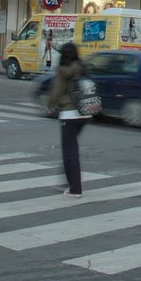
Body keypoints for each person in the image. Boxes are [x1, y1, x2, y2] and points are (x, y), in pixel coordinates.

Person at [47, 42, 92, 199]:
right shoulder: (81, 67)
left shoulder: (63, 71)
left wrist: (50, 105)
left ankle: (75, 188)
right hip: (86, 112)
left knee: (69, 152)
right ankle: (69, 181)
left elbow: (57, 92)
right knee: (72, 148)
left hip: (69, 114)